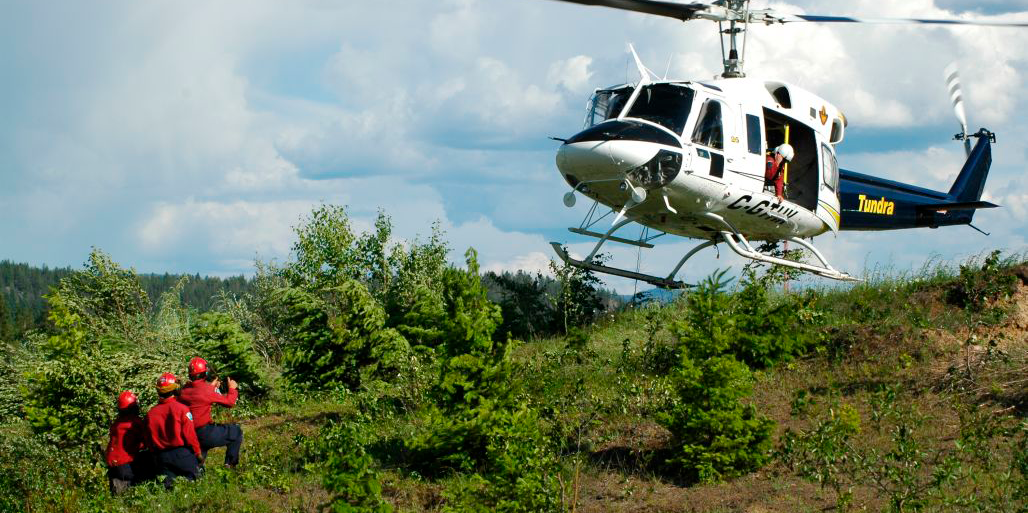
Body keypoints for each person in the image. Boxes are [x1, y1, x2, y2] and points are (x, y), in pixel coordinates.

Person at [179, 357, 243, 468]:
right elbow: (229, 402)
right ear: (206, 373)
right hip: (206, 433)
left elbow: (197, 392)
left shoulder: (184, 390)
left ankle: (196, 474)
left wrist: (211, 386)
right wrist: (232, 388)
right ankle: (230, 464)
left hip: (189, 433)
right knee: (236, 431)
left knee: (200, 454)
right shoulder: (207, 390)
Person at [147, 372, 203, 489]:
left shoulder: (150, 414)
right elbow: (190, 436)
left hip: (161, 458)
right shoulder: (182, 409)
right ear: (175, 390)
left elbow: (149, 440)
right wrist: (198, 454)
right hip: (181, 454)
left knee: (169, 488)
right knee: (198, 477)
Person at [104, 390, 153, 495]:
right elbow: (147, 441)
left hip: (112, 463)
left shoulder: (116, 423)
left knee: (118, 491)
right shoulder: (135, 422)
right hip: (125, 464)